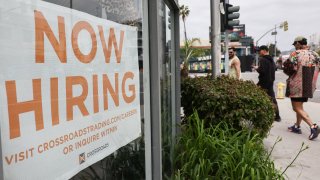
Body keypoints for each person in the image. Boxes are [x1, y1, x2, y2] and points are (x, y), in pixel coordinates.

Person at [286, 36, 320, 140]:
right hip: (309, 85)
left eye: (295, 45)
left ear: (298, 43)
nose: (295, 47)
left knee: (296, 107)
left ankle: (313, 126)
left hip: (297, 85)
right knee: (300, 107)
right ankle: (297, 126)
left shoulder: (295, 54)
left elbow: (290, 69)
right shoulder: (315, 55)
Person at [252, 45, 281, 122]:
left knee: (255, 96)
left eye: (260, 50)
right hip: (270, 81)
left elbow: (262, 71)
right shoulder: (271, 59)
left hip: (263, 82)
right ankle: (277, 116)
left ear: (264, 50)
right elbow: (274, 68)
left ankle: (258, 115)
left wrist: (256, 68)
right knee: (272, 99)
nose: (259, 52)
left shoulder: (263, 59)